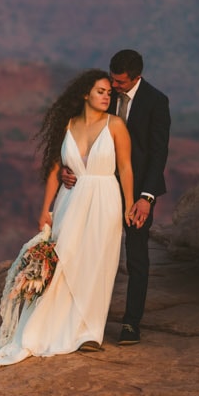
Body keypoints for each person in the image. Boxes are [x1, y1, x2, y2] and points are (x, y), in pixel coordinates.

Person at [0, 70, 138, 365]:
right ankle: (52, 325)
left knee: (98, 263)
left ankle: (90, 333)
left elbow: (126, 168)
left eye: (109, 93)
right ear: (85, 94)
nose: (107, 96)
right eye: (101, 91)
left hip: (105, 198)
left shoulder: (115, 125)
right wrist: (45, 210)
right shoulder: (67, 125)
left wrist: (130, 204)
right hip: (70, 201)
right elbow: (55, 170)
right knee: (65, 261)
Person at [63, 49, 171, 345]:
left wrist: (146, 198)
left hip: (136, 194)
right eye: (112, 80)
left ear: (136, 77)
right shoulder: (104, 95)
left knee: (136, 256)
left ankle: (131, 324)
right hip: (99, 188)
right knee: (91, 251)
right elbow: (84, 134)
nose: (115, 86)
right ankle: (84, 320)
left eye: (120, 82)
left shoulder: (156, 102)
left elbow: (158, 153)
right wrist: (69, 168)